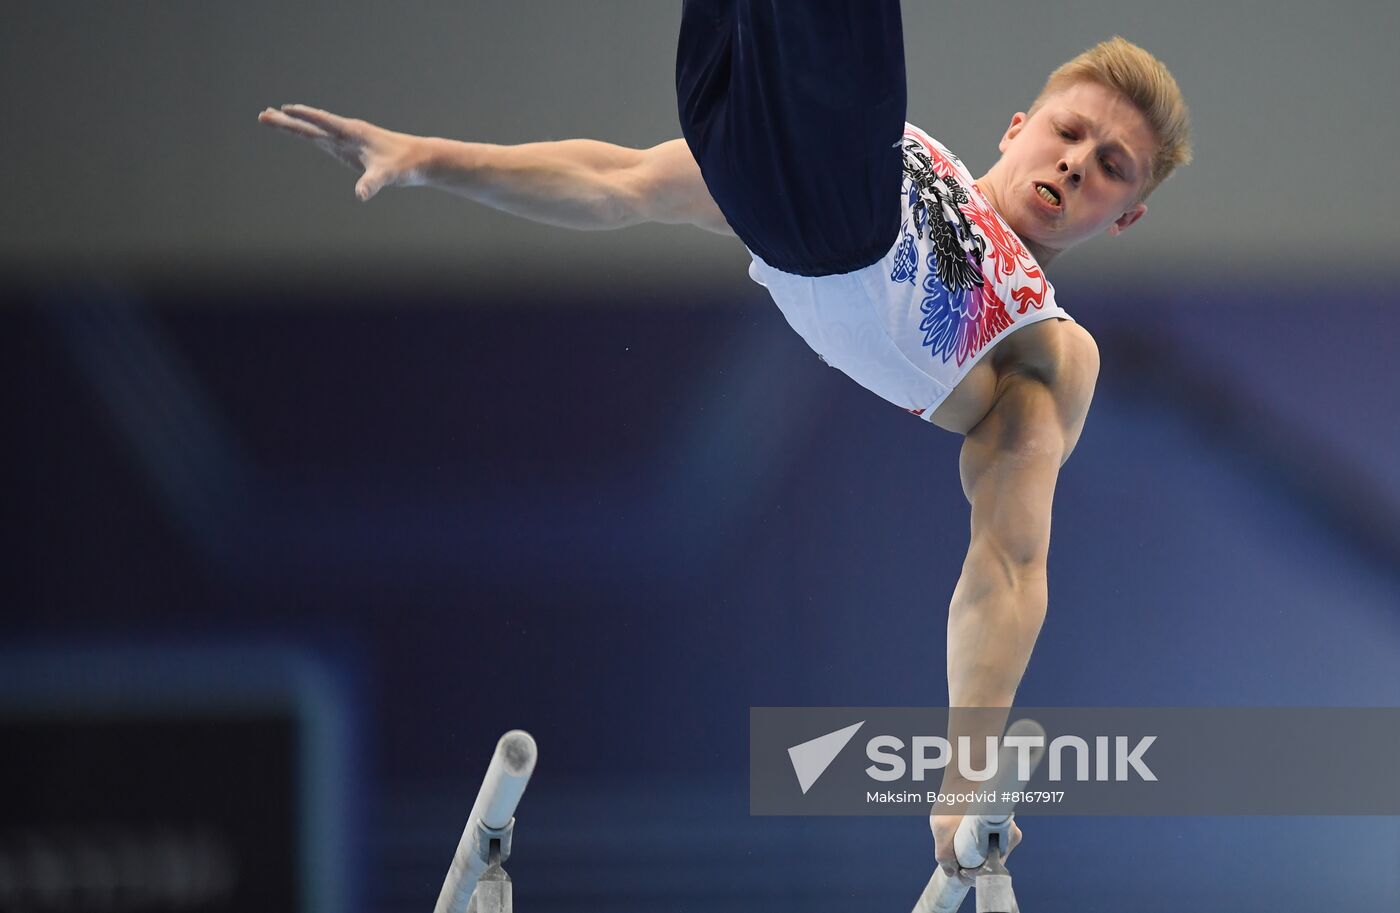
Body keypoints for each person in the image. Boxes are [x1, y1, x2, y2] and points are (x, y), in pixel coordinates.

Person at [259, 0, 1191, 889]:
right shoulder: (913, 153)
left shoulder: (1048, 346)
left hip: (838, 213)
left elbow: (1008, 559)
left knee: (846, 116)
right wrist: (427, 156)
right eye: (1068, 133)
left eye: (1111, 166)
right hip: (765, 149)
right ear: (1016, 126)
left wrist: (962, 773)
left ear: (1127, 216)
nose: (1075, 164)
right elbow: (616, 184)